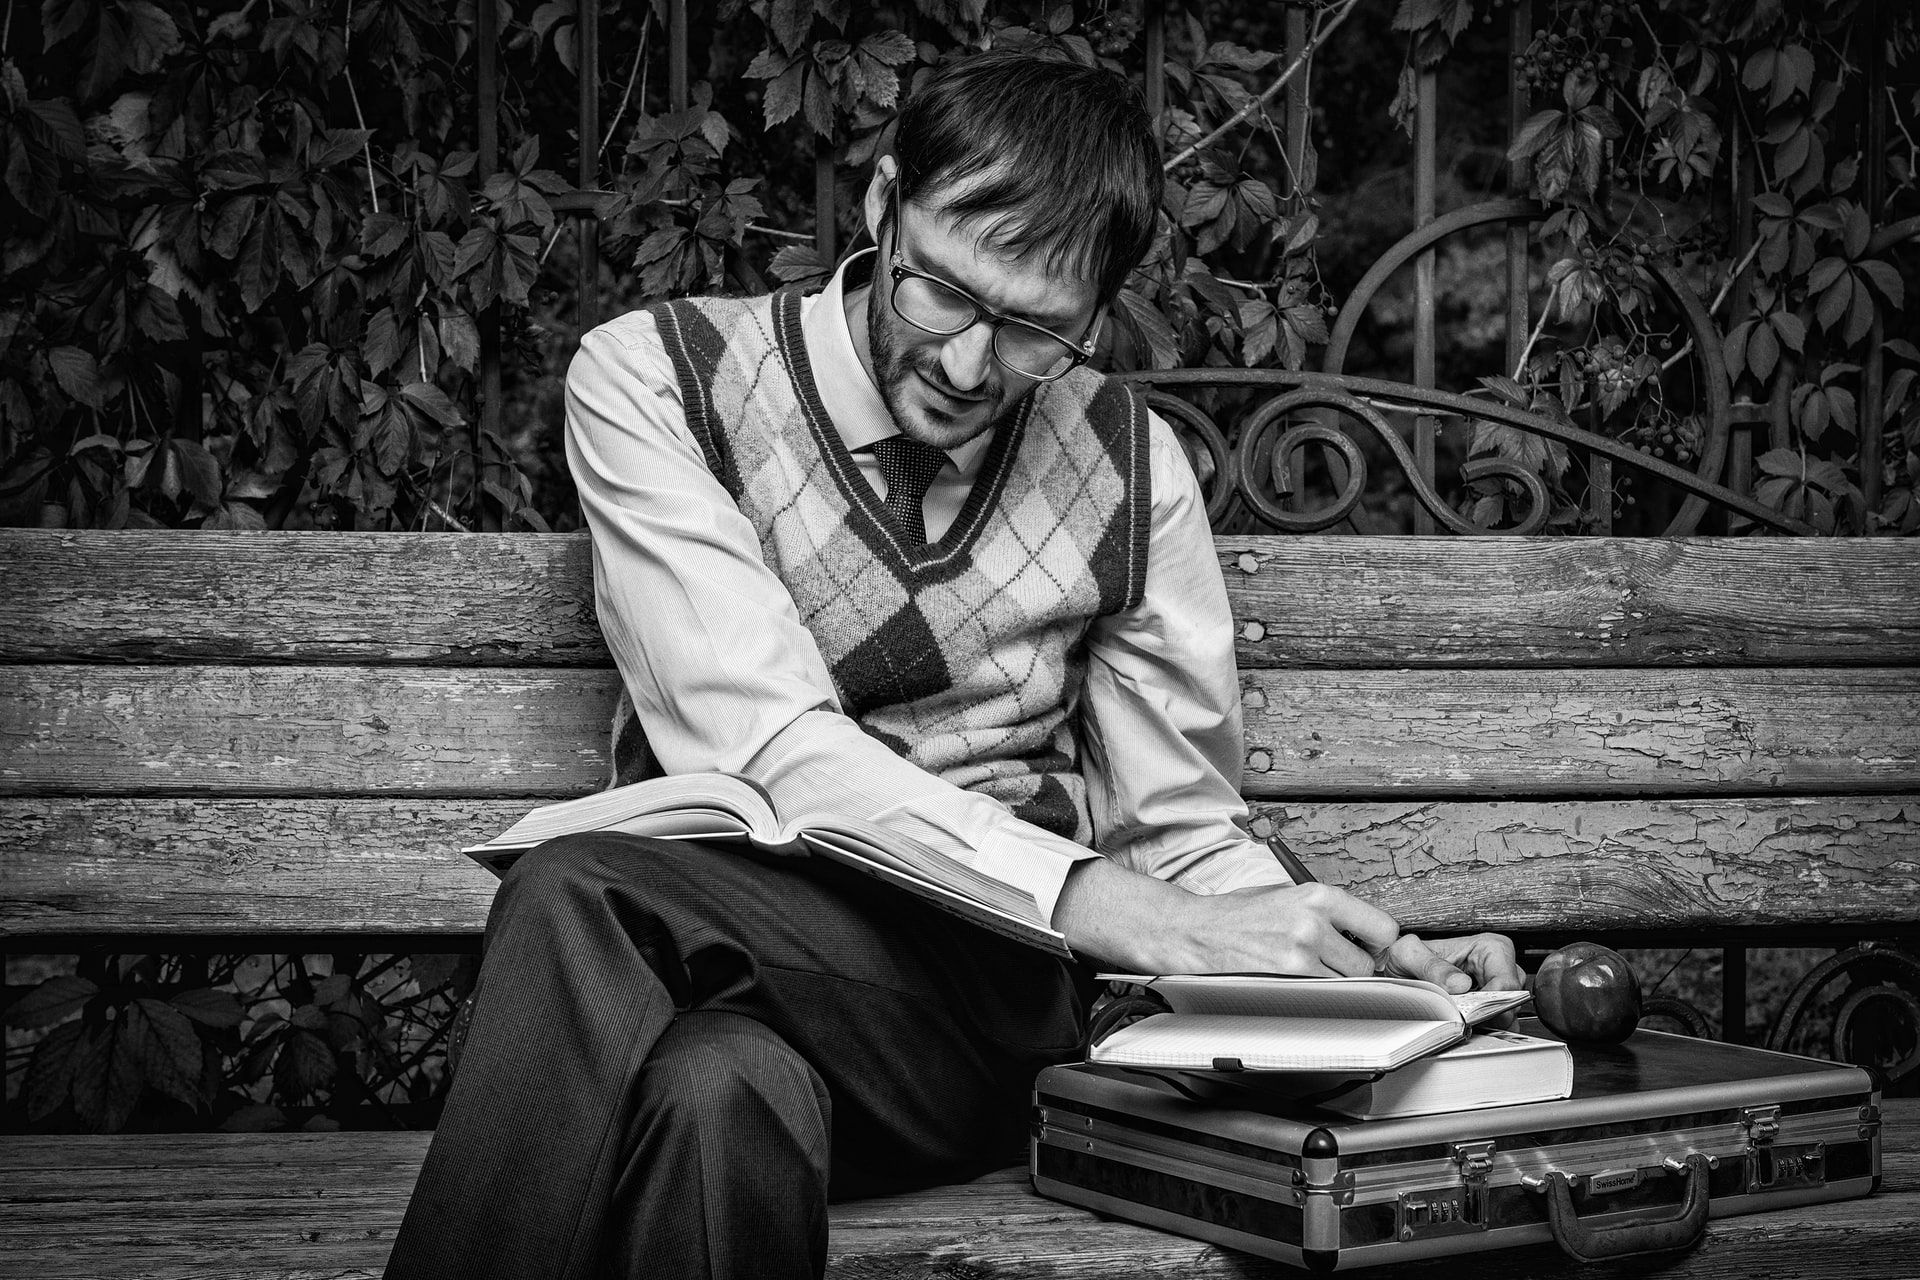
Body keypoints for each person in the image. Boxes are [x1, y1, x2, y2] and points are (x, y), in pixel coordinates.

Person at [386, 49, 1522, 1280]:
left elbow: (1182, 831)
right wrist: (1134, 913)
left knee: (576, 887)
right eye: (944, 293)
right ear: (882, 208)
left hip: (987, 1016)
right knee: (719, 1095)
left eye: (1038, 331)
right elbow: (767, 752)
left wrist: (1390, 977)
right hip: (735, 973)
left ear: (1095, 315)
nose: (973, 366)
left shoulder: (1132, 469)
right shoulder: (660, 381)